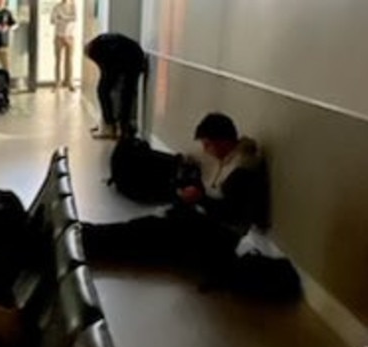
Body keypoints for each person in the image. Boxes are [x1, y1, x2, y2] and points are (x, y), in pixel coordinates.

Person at [82, 112, 269, 280]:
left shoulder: (240, 172)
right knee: (143, 228)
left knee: (143, 234)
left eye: (207, 145)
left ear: (221, 141)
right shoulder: (235, 162)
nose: (206, 151)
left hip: (216, 239)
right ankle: (87, 235)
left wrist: (199, 198)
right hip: (208, 226)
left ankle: (87, 239)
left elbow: (229, 214)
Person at [84, 32, 145, 139]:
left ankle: (111, 127)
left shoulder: (97, 51)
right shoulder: (101, 41)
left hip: (133, 59)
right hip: (135, 54)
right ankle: (119, 127)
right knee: (124, 93)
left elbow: (107, 70)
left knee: (107, 91)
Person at [51, 0, 77, 91]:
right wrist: (65, 19)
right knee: (58, 60)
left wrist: (61, 18)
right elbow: (52, 20)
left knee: (69, 60)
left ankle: (69, 82)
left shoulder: (73, 5)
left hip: (70, 36)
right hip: (59, 36)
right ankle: (57, 82)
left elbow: (74, 18)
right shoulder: (57, 6)